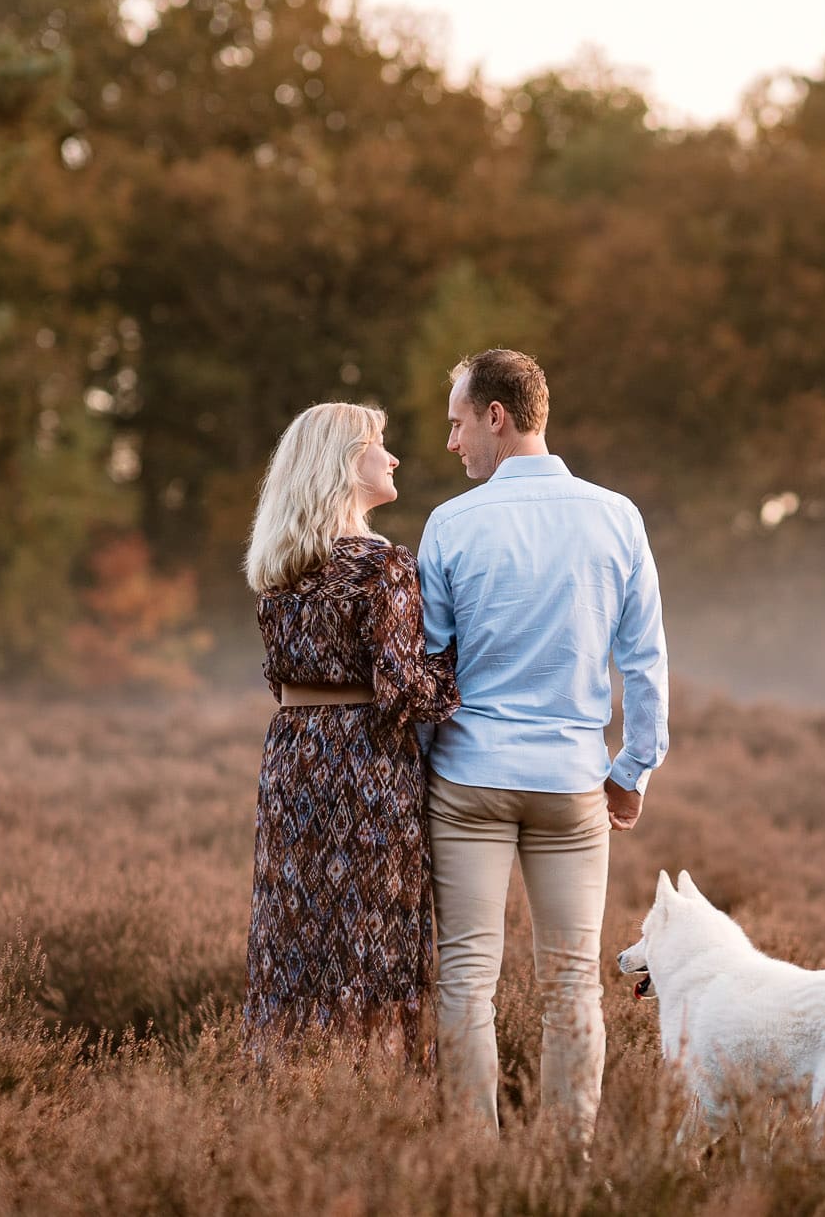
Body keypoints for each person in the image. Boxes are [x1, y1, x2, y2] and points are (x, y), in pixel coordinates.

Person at [417, 348, 670, 1141]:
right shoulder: (616, 515)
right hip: (571, 782)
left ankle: (474, 1165)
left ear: (497, 416)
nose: (453, 442)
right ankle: (570, 1168)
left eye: (458, 423)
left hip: (468, 779)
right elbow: (646, 662)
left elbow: (428, 669)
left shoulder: (450, 524)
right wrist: (632, 769)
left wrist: (417, 766)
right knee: (570, 987)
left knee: (465, 979)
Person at [242, 401, 459, 1067]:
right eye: (379, 447)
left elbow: (278, 679)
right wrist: (456, 671)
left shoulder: (276, 569)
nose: (392, 458)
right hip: (367, 767)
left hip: (293, 761)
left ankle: (289, 1085)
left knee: (298, 933)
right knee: (371, 938)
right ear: (344, 465)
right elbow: (403, 691)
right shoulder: (384, 565)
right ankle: (374, 1092)